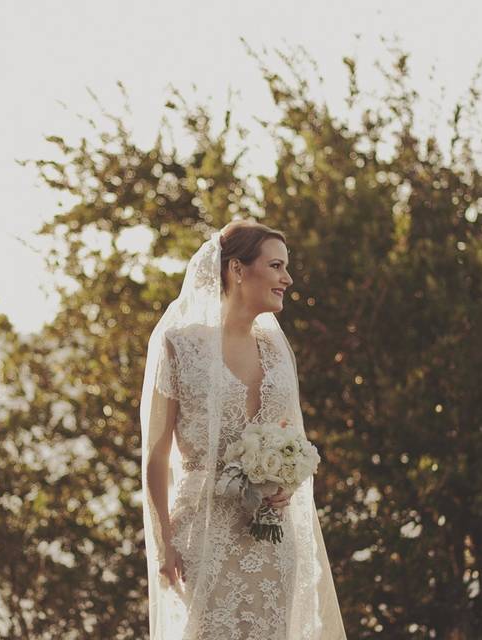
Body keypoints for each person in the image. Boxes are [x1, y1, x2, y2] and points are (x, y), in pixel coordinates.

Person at [140, 219, 346, 639]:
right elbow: (156, 456)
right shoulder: (180, 345)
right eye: (275, 266)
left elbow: (288, 438)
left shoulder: (275, 351)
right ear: (236, 269)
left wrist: (286, 481)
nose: (287, 279)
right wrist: (164, 543)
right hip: (203, 533)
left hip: (271, 539)